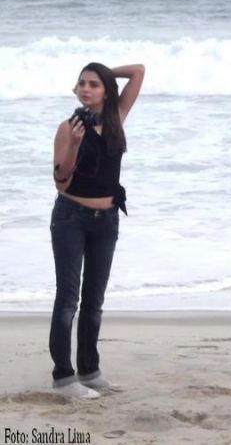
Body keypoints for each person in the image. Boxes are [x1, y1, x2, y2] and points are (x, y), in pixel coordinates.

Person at [49, 62, 145, 398]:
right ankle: (64, 377)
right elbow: (60, 182)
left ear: (106, 90)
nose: (85, 89)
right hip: (70, 218)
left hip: (107, 220)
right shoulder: (68, 128)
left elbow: (138, 71)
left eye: (93, 84)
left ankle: (89, 370)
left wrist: (104, 72)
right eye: (81, 83)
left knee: (94, 300)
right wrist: (75, 145)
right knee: (68, 299)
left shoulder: (117, 118)